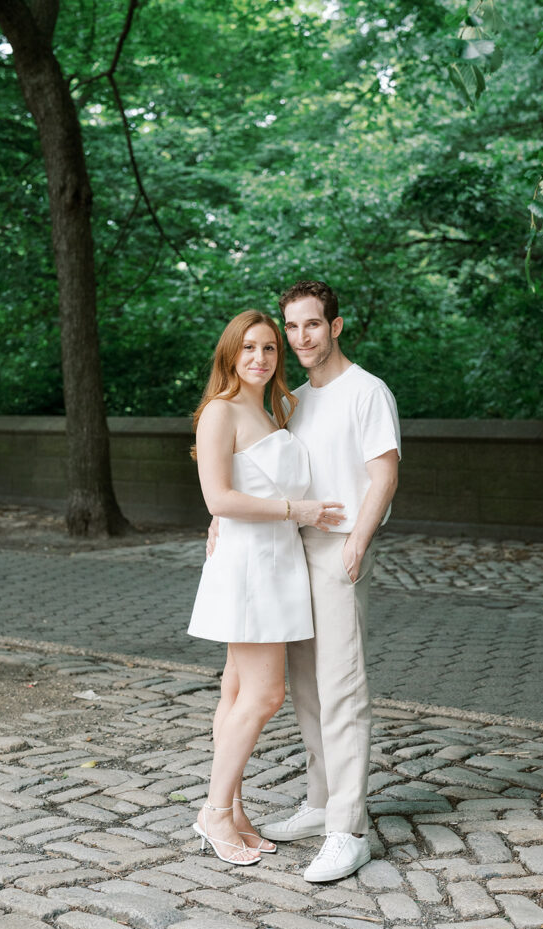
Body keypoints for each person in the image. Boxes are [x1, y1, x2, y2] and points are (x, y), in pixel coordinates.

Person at [187, 309, 345, 866]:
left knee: (235, 691)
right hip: (249, 567)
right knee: (264, 694)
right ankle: (212, 810)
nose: (260, 358)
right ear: (230, 354)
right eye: (249, 348)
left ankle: (230, 808)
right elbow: (218, 500)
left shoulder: (275, 410)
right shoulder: (219, 413)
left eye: (270, 349)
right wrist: (294, 509)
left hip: (279, 561)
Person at [258, 280, 400, 882]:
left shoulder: (367, 391)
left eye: (310, 324)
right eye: (291, 327)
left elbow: (384, 473)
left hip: (340, 552)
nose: (300, 338)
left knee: (343, 689)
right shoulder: (291, 401)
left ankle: (348, 830)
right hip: (291, 553)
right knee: (307, 691)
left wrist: (358, 545)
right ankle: (319, 804)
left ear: (335, 326)